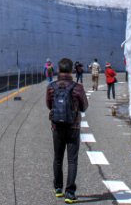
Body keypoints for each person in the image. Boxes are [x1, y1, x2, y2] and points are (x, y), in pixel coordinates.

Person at [47, 57, 88, 202]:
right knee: (72, 160)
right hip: (73, 127)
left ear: (58, 70)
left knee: (58, 158)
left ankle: (58, 188)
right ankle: (70, 193)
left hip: (57, 127)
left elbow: (49, 105)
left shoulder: (51, 86)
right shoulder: (78, 87)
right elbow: (84, 107)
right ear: (71, 70)